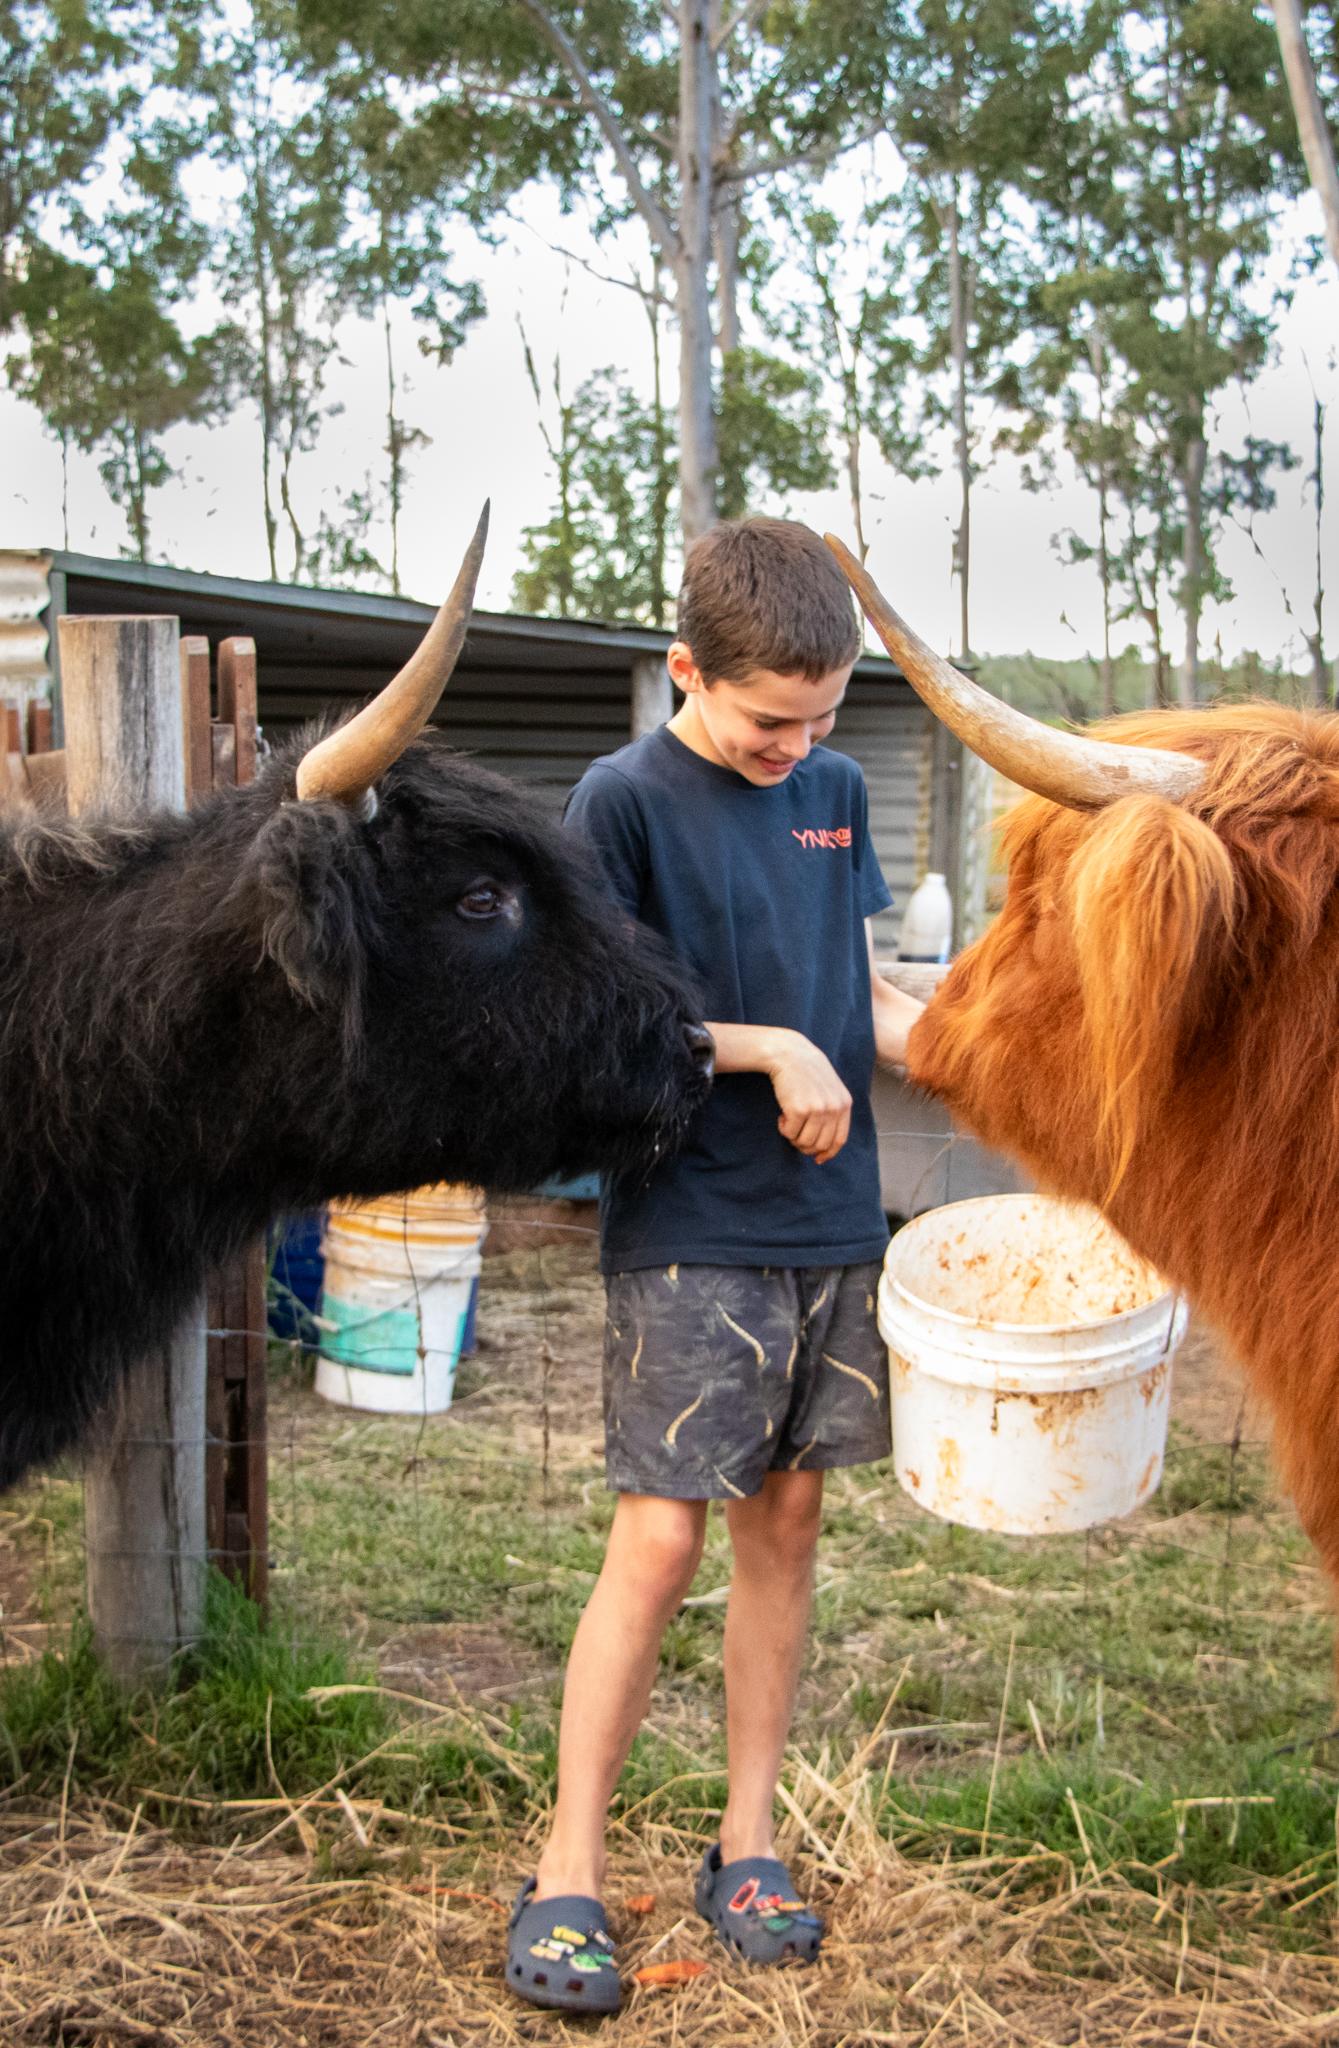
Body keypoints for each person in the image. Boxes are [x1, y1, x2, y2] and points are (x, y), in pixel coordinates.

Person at [505, 518, 926, 2016]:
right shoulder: (618, 802)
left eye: (820, 717)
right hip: (690, 1219)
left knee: (789, 1526)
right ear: (688, 669)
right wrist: (771, 1047)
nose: (797, 744)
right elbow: (596, 1026)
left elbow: (857, 980)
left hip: (832, 1220)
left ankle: (746, 1844)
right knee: (664, 1541)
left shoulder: (835, 789)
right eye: (770, 719)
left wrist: (954, 1044)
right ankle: (566, 1868)